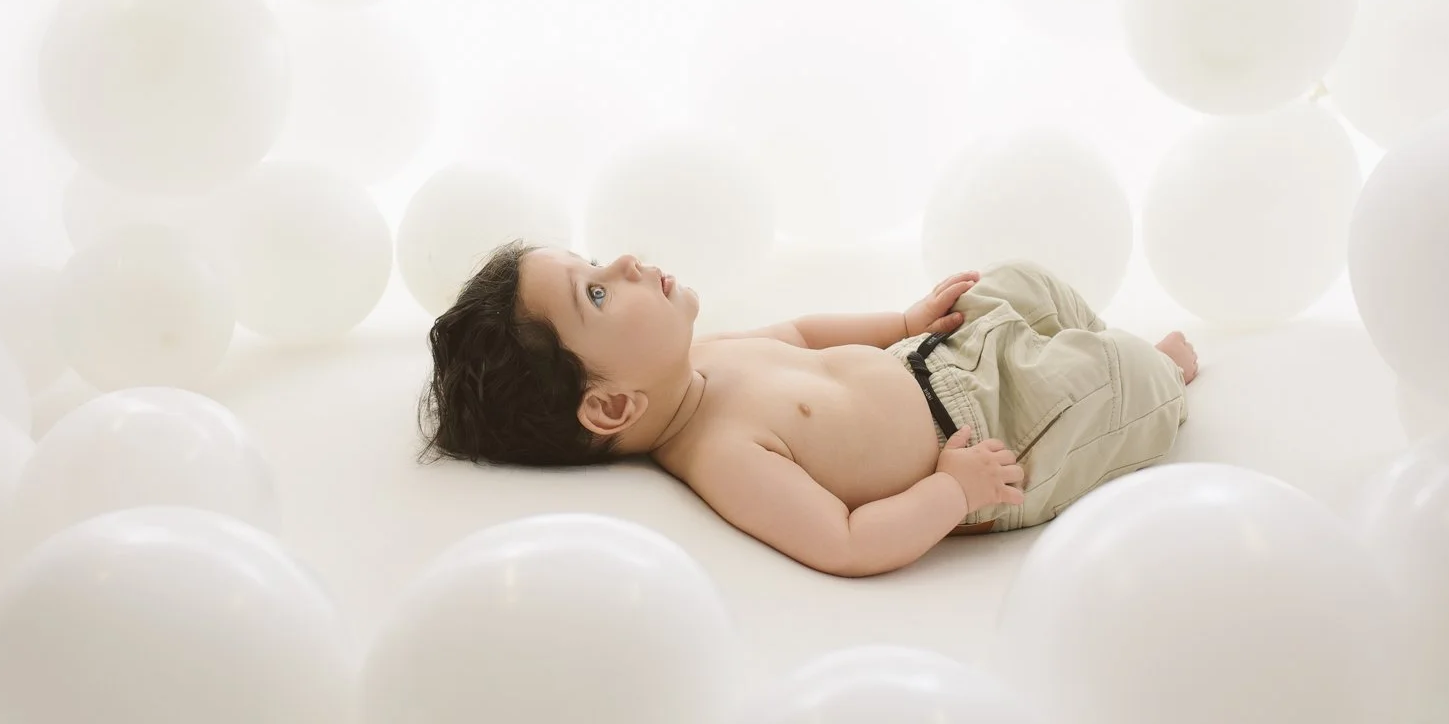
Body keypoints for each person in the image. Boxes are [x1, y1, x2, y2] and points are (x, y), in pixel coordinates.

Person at [420, 241, 1196, 577]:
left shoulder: (705, 358)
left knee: (1018, 279)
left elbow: (801, 333)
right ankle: (1158, 377)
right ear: (613, 406)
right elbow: (847, 543)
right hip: (985, 438)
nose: (622, 262)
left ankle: (1078, 339)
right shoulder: (721, 455)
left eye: (593, 260)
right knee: (1104, 377)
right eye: (596, 293)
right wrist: (954, 490)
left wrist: (903, 322)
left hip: (933, 360)